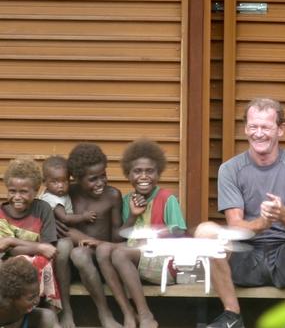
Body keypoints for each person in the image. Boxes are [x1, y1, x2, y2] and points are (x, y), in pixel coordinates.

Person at [194, 98, 285, 328]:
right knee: (205, 231)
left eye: (266, 127)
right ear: (245, 128)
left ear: (280, 129)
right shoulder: (230, 169)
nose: (259, 134)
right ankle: (232, 316)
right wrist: (262, 223)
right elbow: (235, 224)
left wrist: (281, 212)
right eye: (253, 127)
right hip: (246, 257)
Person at [96, 139, 187, 328]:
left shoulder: (166, 198)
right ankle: (128, 313)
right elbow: (120, 237)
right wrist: (132, 216)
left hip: (164, 264)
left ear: (158, 173)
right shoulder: (128, 199)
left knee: (120, 253)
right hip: (134, 263)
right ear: (128, 174)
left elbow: (180, 232)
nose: (143, 176)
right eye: (137, 171)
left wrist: (151, 237)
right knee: (103, 249)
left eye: (149, 171)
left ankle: (145, 315)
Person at [57, 143, 122, 328]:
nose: (101, 182)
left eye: (103, 175)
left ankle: (105, 313)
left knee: (80, 254)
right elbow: (62, 227)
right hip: (70, 264)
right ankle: (66, 310)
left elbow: (117, 237)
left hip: (99, 259)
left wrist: (98, 243)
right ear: (77, 178)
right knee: (67, 247)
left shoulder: (113, 196)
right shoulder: (68, 194)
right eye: (93, 179)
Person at [0, 159, 61, 312]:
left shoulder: (43, 209)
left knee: (42, 261)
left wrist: (11, 241)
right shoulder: (1, 213)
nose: (17, 197)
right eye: (12, 191)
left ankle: (47, 311)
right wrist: (38, 246)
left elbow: (50, 248)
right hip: (7, 266)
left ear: (35, 191)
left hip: (36, 264)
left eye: (24, 192)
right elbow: (6, 250)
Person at [0, 256, 60, 328]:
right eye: (31, 298)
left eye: (38, 294)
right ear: (11, 298)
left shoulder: (40, 318)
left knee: (48, 316)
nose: (37, 301)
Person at [39, 156, 96, 227]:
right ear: (44, 182)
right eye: (55, 182)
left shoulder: (54, 193)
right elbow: (64, 218)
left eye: (64, 181)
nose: (60, 185)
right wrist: (83, 217)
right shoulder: (53, 199)